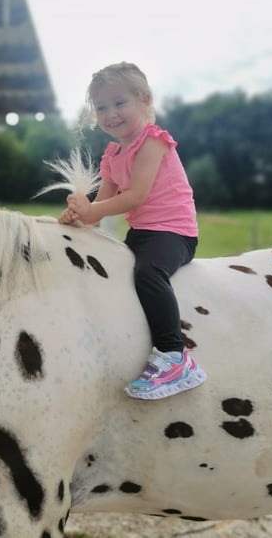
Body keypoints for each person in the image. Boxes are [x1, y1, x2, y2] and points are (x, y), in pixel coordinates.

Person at [59, 61, 206, 400]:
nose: (111, 113)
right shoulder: (112, 155)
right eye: (102, 107)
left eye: (119, 103)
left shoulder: (153, 141)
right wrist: (77, 214)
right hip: (142, 233)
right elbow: (97, 211)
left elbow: (136, 195)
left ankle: (174, 356)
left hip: (173, 232)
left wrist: (91, 209)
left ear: (144, 100)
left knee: (149, 274)